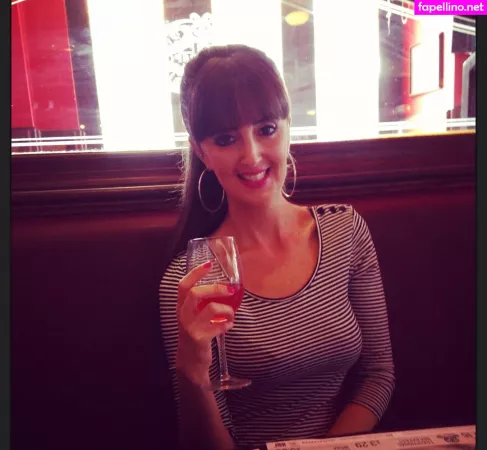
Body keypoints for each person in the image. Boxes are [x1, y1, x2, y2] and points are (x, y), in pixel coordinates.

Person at [159, 44, 395, 450]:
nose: (252, 156)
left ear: (288, 128)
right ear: (201, 151)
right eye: (226, 138)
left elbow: (378, 374)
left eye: (266, 129)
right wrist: (192, 372)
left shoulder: (345, 231)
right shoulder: (188, 280)